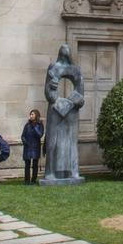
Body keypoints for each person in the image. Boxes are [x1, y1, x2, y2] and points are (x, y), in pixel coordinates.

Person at [43, 44, 85, 181]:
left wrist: (75, 101)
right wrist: (53, 92)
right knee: (52, 142)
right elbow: (48, 93)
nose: (65, 51)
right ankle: (50, 173)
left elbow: (80, 93)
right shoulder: (53, 68)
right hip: (55, 109)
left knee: (72, 142)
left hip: (72, 111)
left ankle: (74, 172)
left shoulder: (76, 71)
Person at [21, 109, 44, 185]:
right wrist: (24, 141)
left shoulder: (40, 125)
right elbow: (23, 135)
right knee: (27, 164)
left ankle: (33, 180)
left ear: (36, 115)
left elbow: (40, 135)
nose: (31, 116)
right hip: (27, 147)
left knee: (35, 165)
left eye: (32, 114)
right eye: (30, 114)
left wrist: (35, 127)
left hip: (35, 147)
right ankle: (27, 180)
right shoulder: (27, 125)